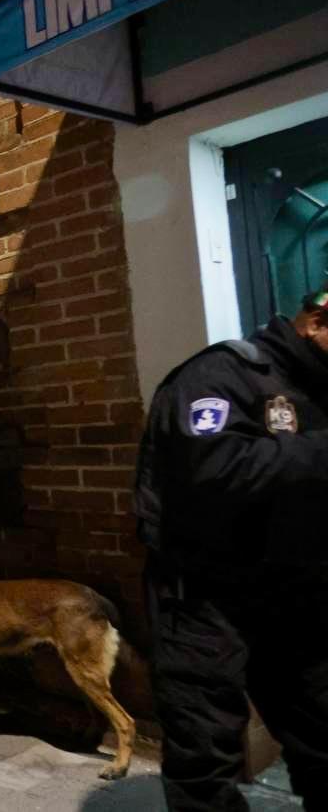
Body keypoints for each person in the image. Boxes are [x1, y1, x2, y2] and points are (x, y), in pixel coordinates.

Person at [134, 286, 328, 811]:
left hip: (296, 601)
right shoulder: (221, 375)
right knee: (204, 762)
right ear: (317, 321)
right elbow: (210, 473)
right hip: (204, 604)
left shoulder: (318, 388)